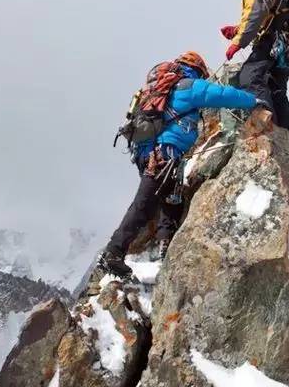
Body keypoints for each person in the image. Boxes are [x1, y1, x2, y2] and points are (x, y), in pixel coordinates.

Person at [99, 50, 257, 278]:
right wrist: (253, 100)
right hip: (164, 153)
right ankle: (113, 252)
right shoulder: (188, 85)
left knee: (170, 197)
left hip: (146, 154)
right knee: (144, 205)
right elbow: (221, 94)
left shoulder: (155, 88)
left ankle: (165, 246)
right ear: (197, 70)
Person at [220, 0, 289, 138]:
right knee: (275, 87)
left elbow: (255, 15)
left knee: (249, 76)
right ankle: (284, 136)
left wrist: (237, 42)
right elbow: (262, 14)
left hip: (274, 38)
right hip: (285, 41)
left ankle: (265, 121)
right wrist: (238, 30)